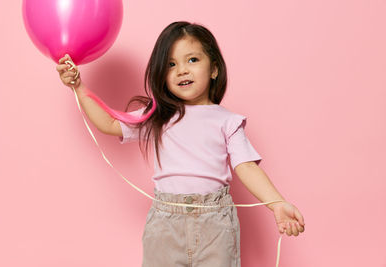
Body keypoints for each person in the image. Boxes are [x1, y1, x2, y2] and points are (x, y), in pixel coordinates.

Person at [56, 21, 305, 267]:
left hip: (215, 225)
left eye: (192, 60)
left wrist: (276, 203)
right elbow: (109, 123)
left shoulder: (228, 121)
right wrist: (78, 86)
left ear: (214, 69)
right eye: (171, 64)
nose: (182, 70)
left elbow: (247, 167)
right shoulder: (157, 116)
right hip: (165, 223)